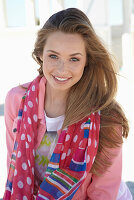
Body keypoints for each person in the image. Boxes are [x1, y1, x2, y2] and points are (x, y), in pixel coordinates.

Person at [3, 8, 132, 200]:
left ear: (87, 61)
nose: (62, 70)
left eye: (74, 59)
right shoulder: (16, 100)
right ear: (40, 54)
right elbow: (15, 171)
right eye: (53, 56)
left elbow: (102, 194)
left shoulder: (106, 116)